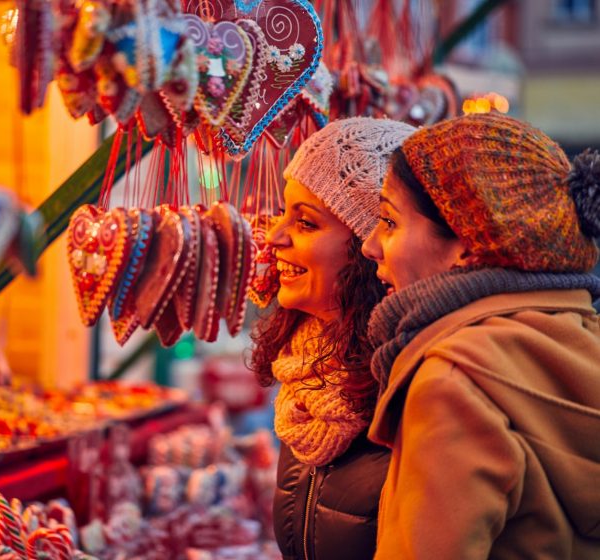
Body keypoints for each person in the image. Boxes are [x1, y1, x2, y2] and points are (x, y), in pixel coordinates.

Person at [361, 112, 600, 559]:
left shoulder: (454, 381)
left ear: (469, 245)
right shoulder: (584, 338)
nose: (369, 245)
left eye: (389, 222)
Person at [249, 116, 415, 560]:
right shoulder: (305, 379)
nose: (274, 237)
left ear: (370, 248)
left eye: (305, 224)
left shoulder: (411, 389)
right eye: (283, 215)